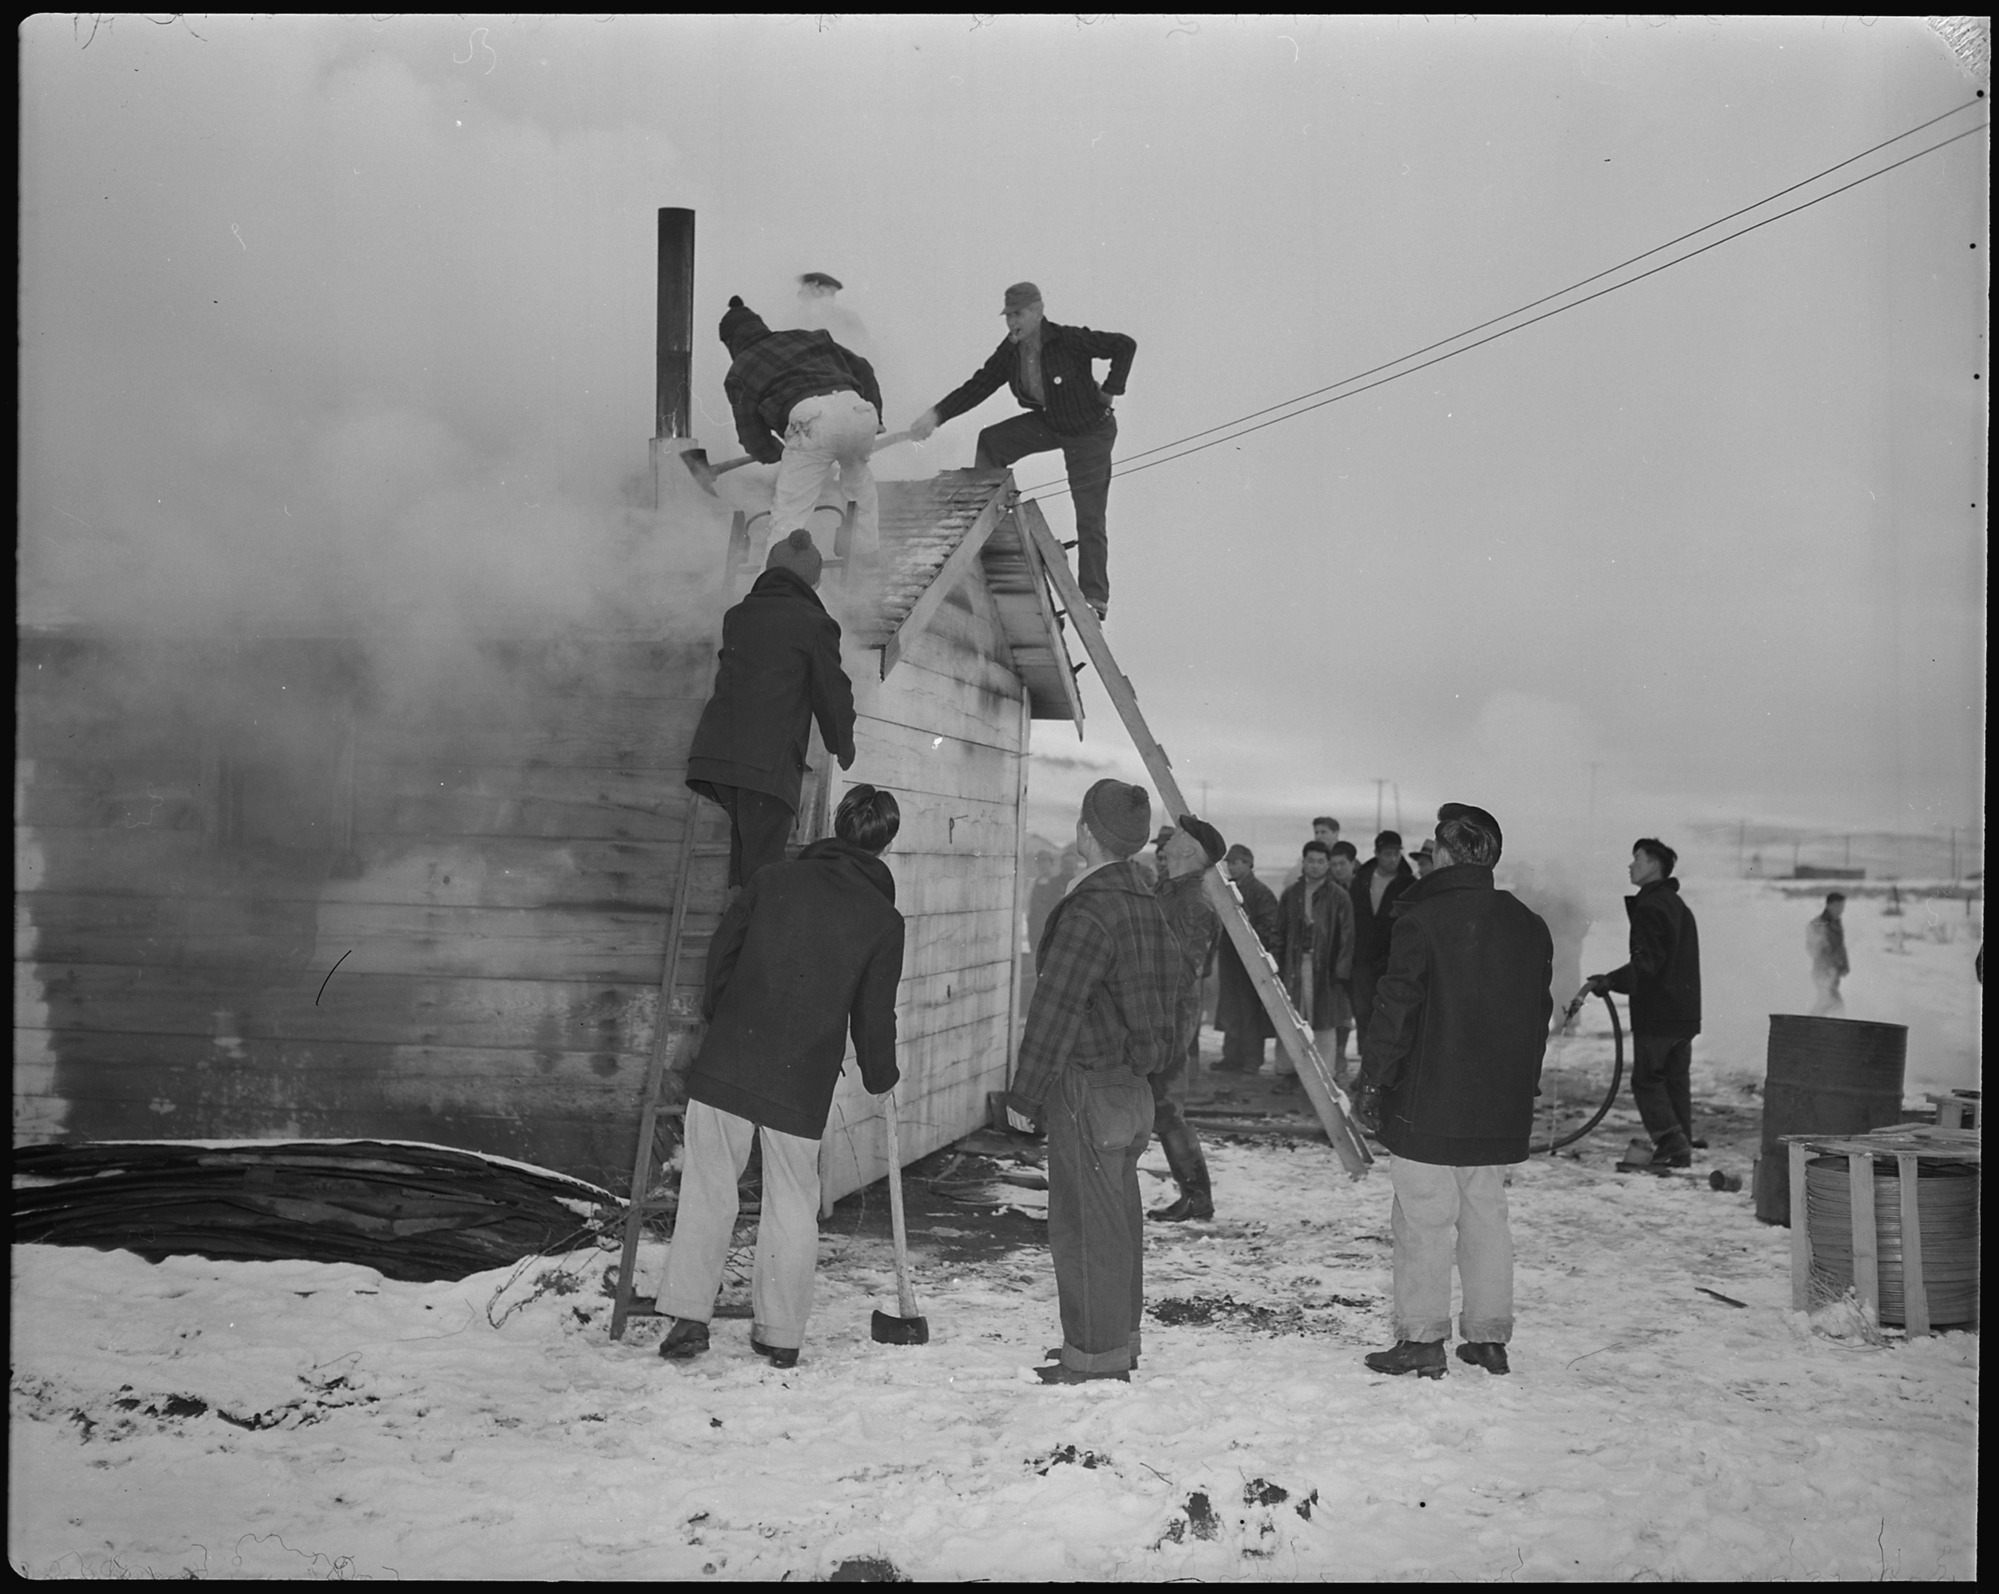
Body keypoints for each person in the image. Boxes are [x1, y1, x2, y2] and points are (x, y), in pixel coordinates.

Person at [655, 786, 907, 1368]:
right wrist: (881, 1075)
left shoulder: (772, 880)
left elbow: (721, 960)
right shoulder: (882, 921)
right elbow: (874, 1015)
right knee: (793, 1200)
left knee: (708, 1188)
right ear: (886, 845)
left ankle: (690, 1317)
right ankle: (781, 1336)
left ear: (836, 828)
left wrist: (729, 1022)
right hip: (803, 1077)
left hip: (732, 1060)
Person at [1354, 803, 1553, 1380]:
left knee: (1423, 1217)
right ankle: (1489, 1338)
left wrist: (1374, 1082)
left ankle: (1421, 1340)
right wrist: (1522, 1087)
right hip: (1496, 1107)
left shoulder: (1422, 919)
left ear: (1444, 853)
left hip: (1427, 1103)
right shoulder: (1528, 924)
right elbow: (1537, 1018)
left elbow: (1396, 1011)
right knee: (1487, 1216)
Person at [1006, 780, 1183, 1383]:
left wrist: (1025, 1095)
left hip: (1088, 1088)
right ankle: (1116, 1342)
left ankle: (1095, 1357)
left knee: (1083, 1226)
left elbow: (1054, 1008)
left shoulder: (1088, 910)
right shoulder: (1147, 903)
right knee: (1120, 1221)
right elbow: (1178, 1000)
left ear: (1085, 833)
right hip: (1133, 1090)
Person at [908, 283, 1136, 619]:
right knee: (992, 442)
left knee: (1089, 513)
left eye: (1019, 313)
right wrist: (935, 416)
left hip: (1091, 432)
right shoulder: (1011, 351)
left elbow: (1124, 346)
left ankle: (1095, 597)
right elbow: (979, 386)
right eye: (1008, 315)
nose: (1012, 321)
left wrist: (1111, 391)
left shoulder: (1068, 340)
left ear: (1038, 310)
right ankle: (983, 523)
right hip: (1052, 422)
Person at [686, 530, 857, 891]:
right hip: (765, 766)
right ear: (815, 579)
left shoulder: (738, 615)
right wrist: (842, 745)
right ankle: (752, 941)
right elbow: (831, 692)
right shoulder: (816, 624)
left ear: (768, 568)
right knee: (764, 873)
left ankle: (738, 936)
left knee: (748, 862)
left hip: (718, 755)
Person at [720, 293, 885, 560]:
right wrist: (875, 414)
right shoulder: (810, 337)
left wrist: (776, 452)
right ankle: (868, 556)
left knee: (790, 514)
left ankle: (777, 582)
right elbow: (863, 368)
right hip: (858, 410)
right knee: (858, 483)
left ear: (730, 342)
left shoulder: (739, 370)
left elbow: (752, 434)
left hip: (811, 421)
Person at [1585, 838, 1703, 1173]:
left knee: (1648, 1080)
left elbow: (1647, 964)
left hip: (1659, 1014)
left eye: (1637, 858)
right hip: (1683, 1014)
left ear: (1654, 865)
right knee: (1674, 1079)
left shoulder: (1651, 907)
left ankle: (1670, 1142)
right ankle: (1680, 1149)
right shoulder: (1677, 905)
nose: (1631, 865)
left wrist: (1610, 980)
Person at [1149, 814, 1228, 1222]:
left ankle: (1198, 1197)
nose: (1169, 837)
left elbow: (1183, 970)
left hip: (1169, 1013)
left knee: (1166, 1106)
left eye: (1179, 833)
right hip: (1160, 1009)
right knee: (1161, 1105)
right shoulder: (1172, 890)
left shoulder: (1194, 902)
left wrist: (1152, 1017)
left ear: (1189, 850)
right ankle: (1194, 1197)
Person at [1275, 840, 1356, 1088]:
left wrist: (1340, 973)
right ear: (1304, 862)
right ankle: (1287, 1073)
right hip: (1294, 965)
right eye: (1311, 860)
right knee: (1290, 1018)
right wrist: (1276, 966)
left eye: (1321, 861)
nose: (1315, 866)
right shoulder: (1291, 894)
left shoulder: (1339, 897)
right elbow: (1279, 933)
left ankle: (1325, 1075)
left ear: (1327, 865)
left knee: (1324, 1022)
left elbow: (1347, 936)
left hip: (1325, 969)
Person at [1348, 830, 1419, 1059]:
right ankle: (1365, 1069)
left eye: (1396, 853)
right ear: (1377, 853)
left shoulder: (1409, 884)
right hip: (1361, 961)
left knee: (1389, 1016)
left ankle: (1386, 1071)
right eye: (1387, 853)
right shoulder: (1360, 880)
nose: (1393, 859)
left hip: (1391, 963)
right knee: (1362, 1014)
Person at [1213, 844, 1281, 1074]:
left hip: (1251, 961)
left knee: (1250, 1011)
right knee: (1231, 1009)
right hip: (1231, 959)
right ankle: (1231, 1057)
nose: (1231, 866)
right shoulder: (1228, 890)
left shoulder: (1260, 892)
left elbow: (1271, 925)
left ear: (1249, 864)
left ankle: (1252, 1059)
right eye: (1229, 862)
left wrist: (1250, 936)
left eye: (1235, 862)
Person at [1324, 841, 1362, 1070]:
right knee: (1338, 1008)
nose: (1337, 869)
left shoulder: (1361, 889)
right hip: (1334, 957)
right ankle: (1336, 1055)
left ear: (1352, 864)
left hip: (1358, 958)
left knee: (1352, 1010)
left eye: (1342, 864)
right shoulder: (1329, 890)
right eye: (1334, 864)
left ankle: (1343, 1055)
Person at [1807, 893, 1850, 1015]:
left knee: (1826, 1002)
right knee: (1833, 1002)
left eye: (1842, 906)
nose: (1841, 910)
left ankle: (1811, 1024)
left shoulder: (1836, 923)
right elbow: (1813, 933)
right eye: (1838, 906)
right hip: (1823, 970)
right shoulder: (1822, 922)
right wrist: (1821, 943)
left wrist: (1844, 964)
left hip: (1833, 970)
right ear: (1830, 905)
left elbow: (1840, 946)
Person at [1283, 817, 1344, 889]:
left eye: (1323, 832)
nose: (1318, 836)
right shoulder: (1311, 856)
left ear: (1335, 833)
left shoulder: (1345, 857)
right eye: (1316, 833)